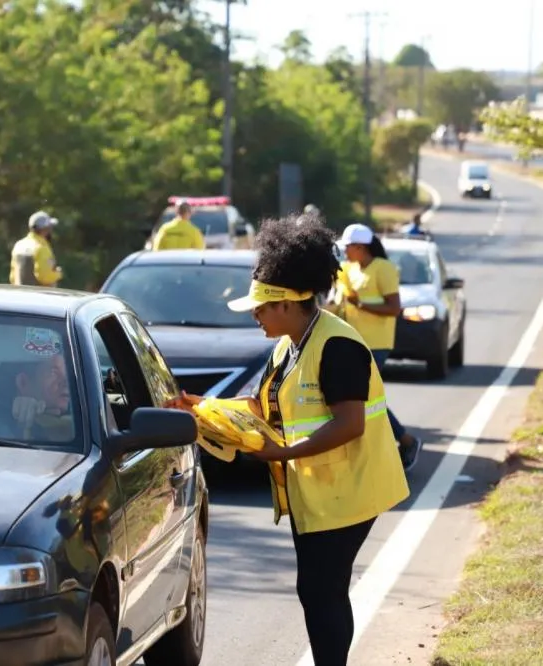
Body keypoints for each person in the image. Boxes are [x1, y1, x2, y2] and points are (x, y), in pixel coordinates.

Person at [167, 214, 409, 666]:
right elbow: (261, 408)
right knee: (316, 589)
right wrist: (200, 406)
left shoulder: (339, 347)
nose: (255, 316)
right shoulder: (288, 345)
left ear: (286, 303)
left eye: (260, 308)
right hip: (316, 489)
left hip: (350, 490)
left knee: (323, 589)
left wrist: (283, 451)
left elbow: (350, 423)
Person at [338, 223, 422, 471]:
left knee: (363, 398)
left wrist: (360, 304)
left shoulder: (384, 269)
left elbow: (394, 308)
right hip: (354, 341)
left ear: (361, 247)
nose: (345, 252)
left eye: (348, 247)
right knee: (360, 398)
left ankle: (405, 441)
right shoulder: (348, 269)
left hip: (377, 343)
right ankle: (388, 444)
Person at [10, 211, 63, 287]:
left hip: (19, 294)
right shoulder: (41, 247)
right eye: (50, 227)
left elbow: (12, 276)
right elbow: (44, 277)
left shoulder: (19, 244)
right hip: (40, 295)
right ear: (44, 229)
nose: (51, 230)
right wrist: (58, 274)